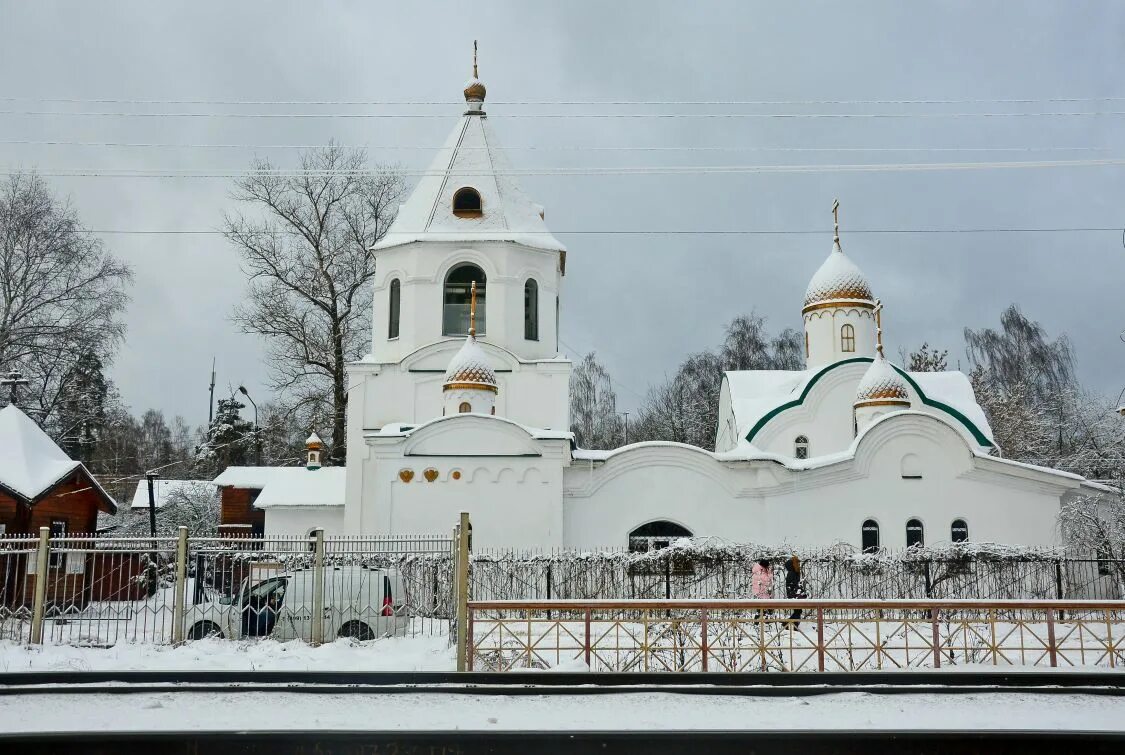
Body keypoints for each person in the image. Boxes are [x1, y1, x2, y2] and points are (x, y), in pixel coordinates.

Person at [784, 555, 808, 629]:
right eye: (797, 563)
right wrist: (799, 591)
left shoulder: (794, 572)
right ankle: (793, 626)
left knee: (798, 610)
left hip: (795, 595)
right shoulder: (792, 573)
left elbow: (795, 585)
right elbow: (793, 585)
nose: (798, 564)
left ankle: (788, 624)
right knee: (798, 610)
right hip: (794, 595)